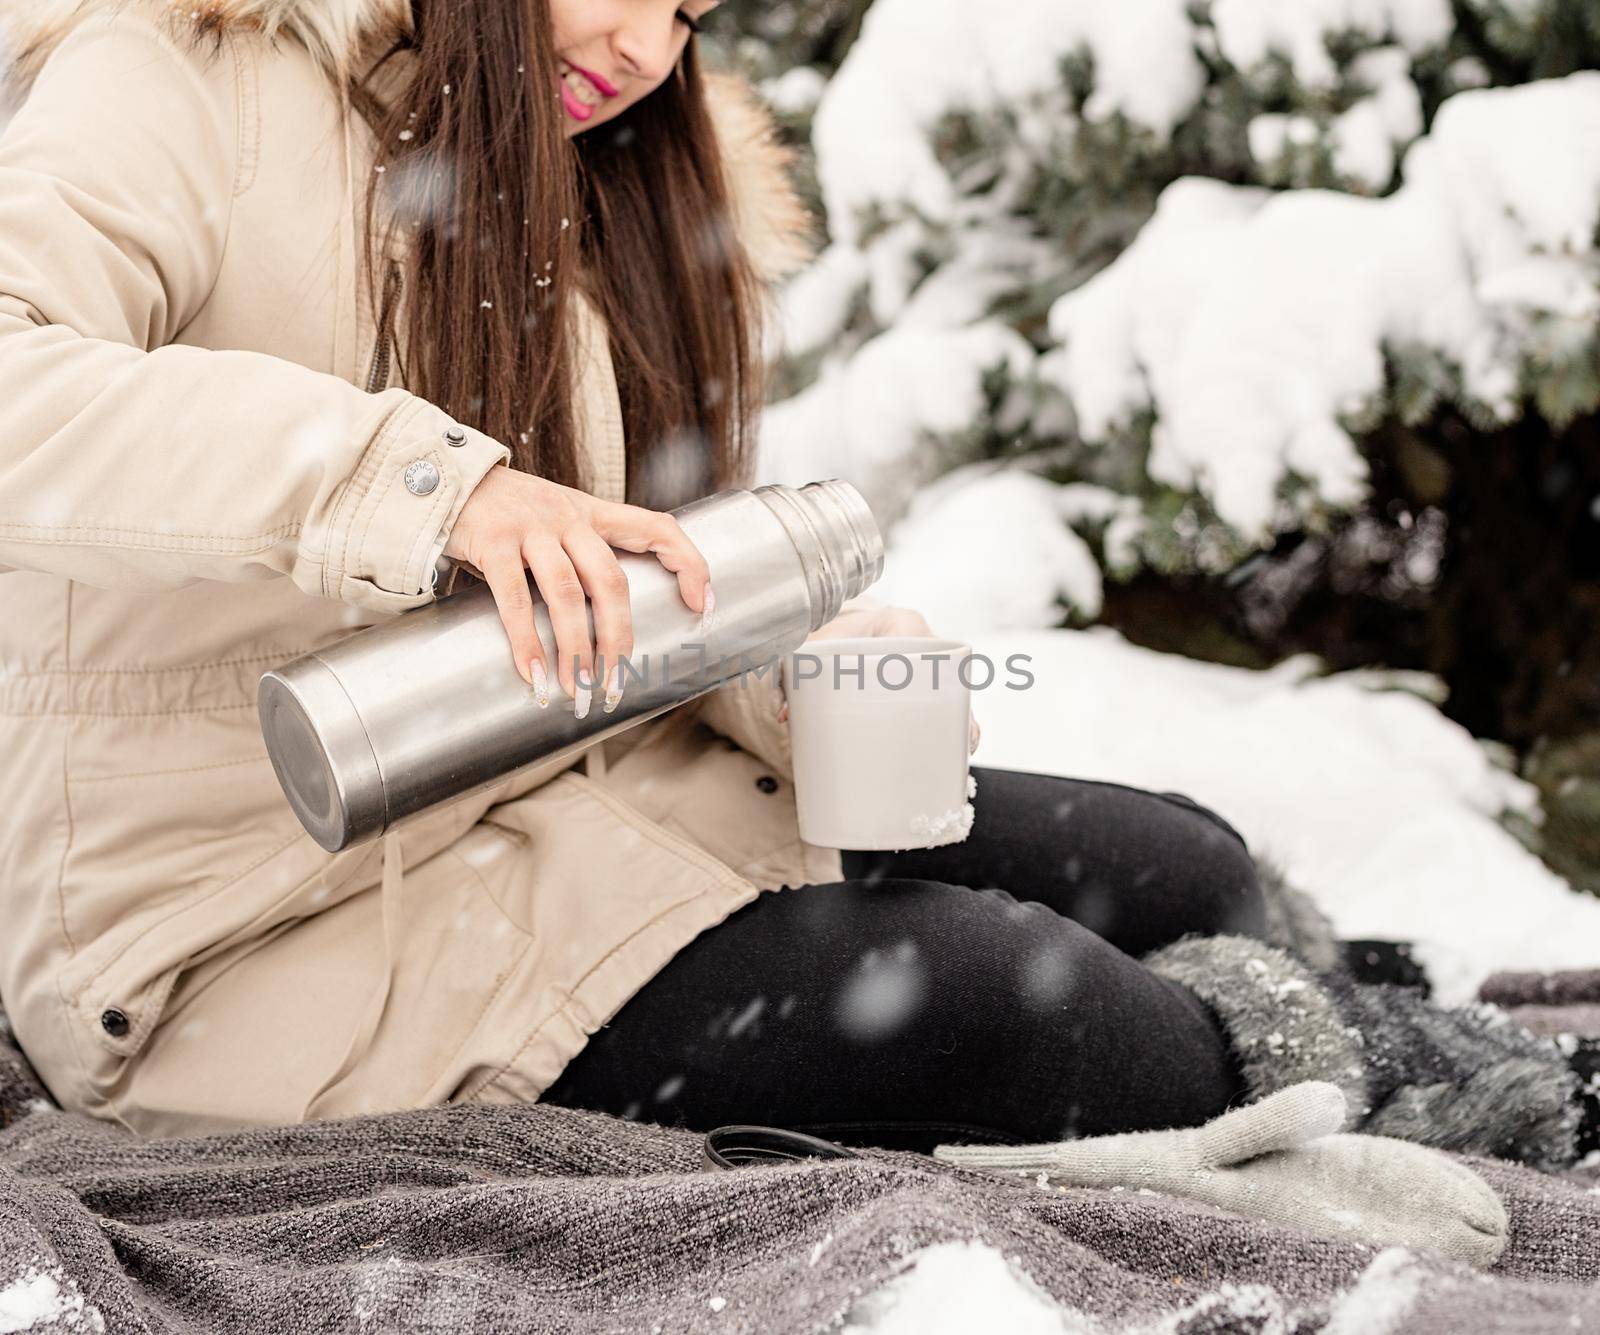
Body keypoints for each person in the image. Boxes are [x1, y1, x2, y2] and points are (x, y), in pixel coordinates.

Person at [0, 0, 1583, 1171]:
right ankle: (1405, 1081)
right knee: (994, 1004)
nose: (644, 50)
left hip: (566, 800)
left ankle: (1281, 1024)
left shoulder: (570, 179)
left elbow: (628, 584)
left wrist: (789, 662)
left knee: (1173, 862)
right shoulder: (180, 73)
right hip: (248, 916)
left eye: (691, 12)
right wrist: (426, 487)